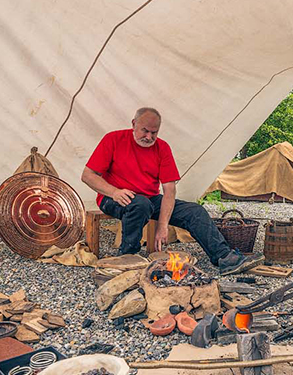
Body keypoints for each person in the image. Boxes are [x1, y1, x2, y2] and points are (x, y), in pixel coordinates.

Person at [82, 107, 260, 275]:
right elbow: (88, 175)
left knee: (194, 211)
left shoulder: (162, 148)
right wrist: (114, 192)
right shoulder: (113, 139)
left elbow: (169, 190)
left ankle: (224, 257)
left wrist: (162, 225)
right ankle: (127, 258)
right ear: (133, 124)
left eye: (154, 132)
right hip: (113, 197)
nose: (149, 136)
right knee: (140, 204)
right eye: (145, 130)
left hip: (149, 199)